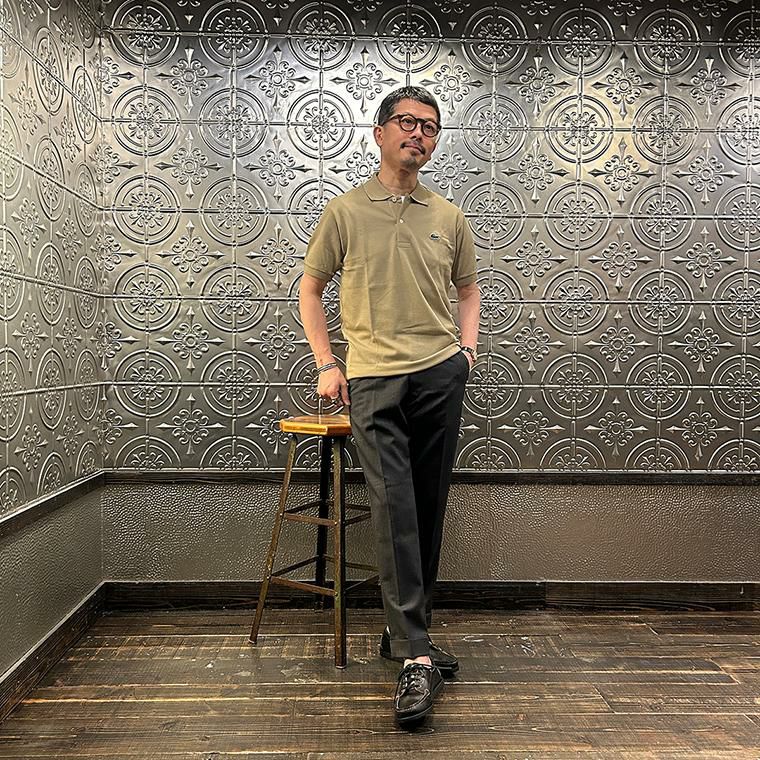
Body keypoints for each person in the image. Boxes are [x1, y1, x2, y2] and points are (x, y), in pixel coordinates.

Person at [299, 86, 480, 726]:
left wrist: (466, 352)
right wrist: (328, 362)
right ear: (379, 133)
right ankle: (415, 655)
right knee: (394, 507)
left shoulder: (448, 216)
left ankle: (407, 634)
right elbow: (310, 288)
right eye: (407, 123)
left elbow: (468, 289)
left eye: (430, 127)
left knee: (427, 508)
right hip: (374, 378)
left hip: (439, 375)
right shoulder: (345, 211)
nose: (418, 135)